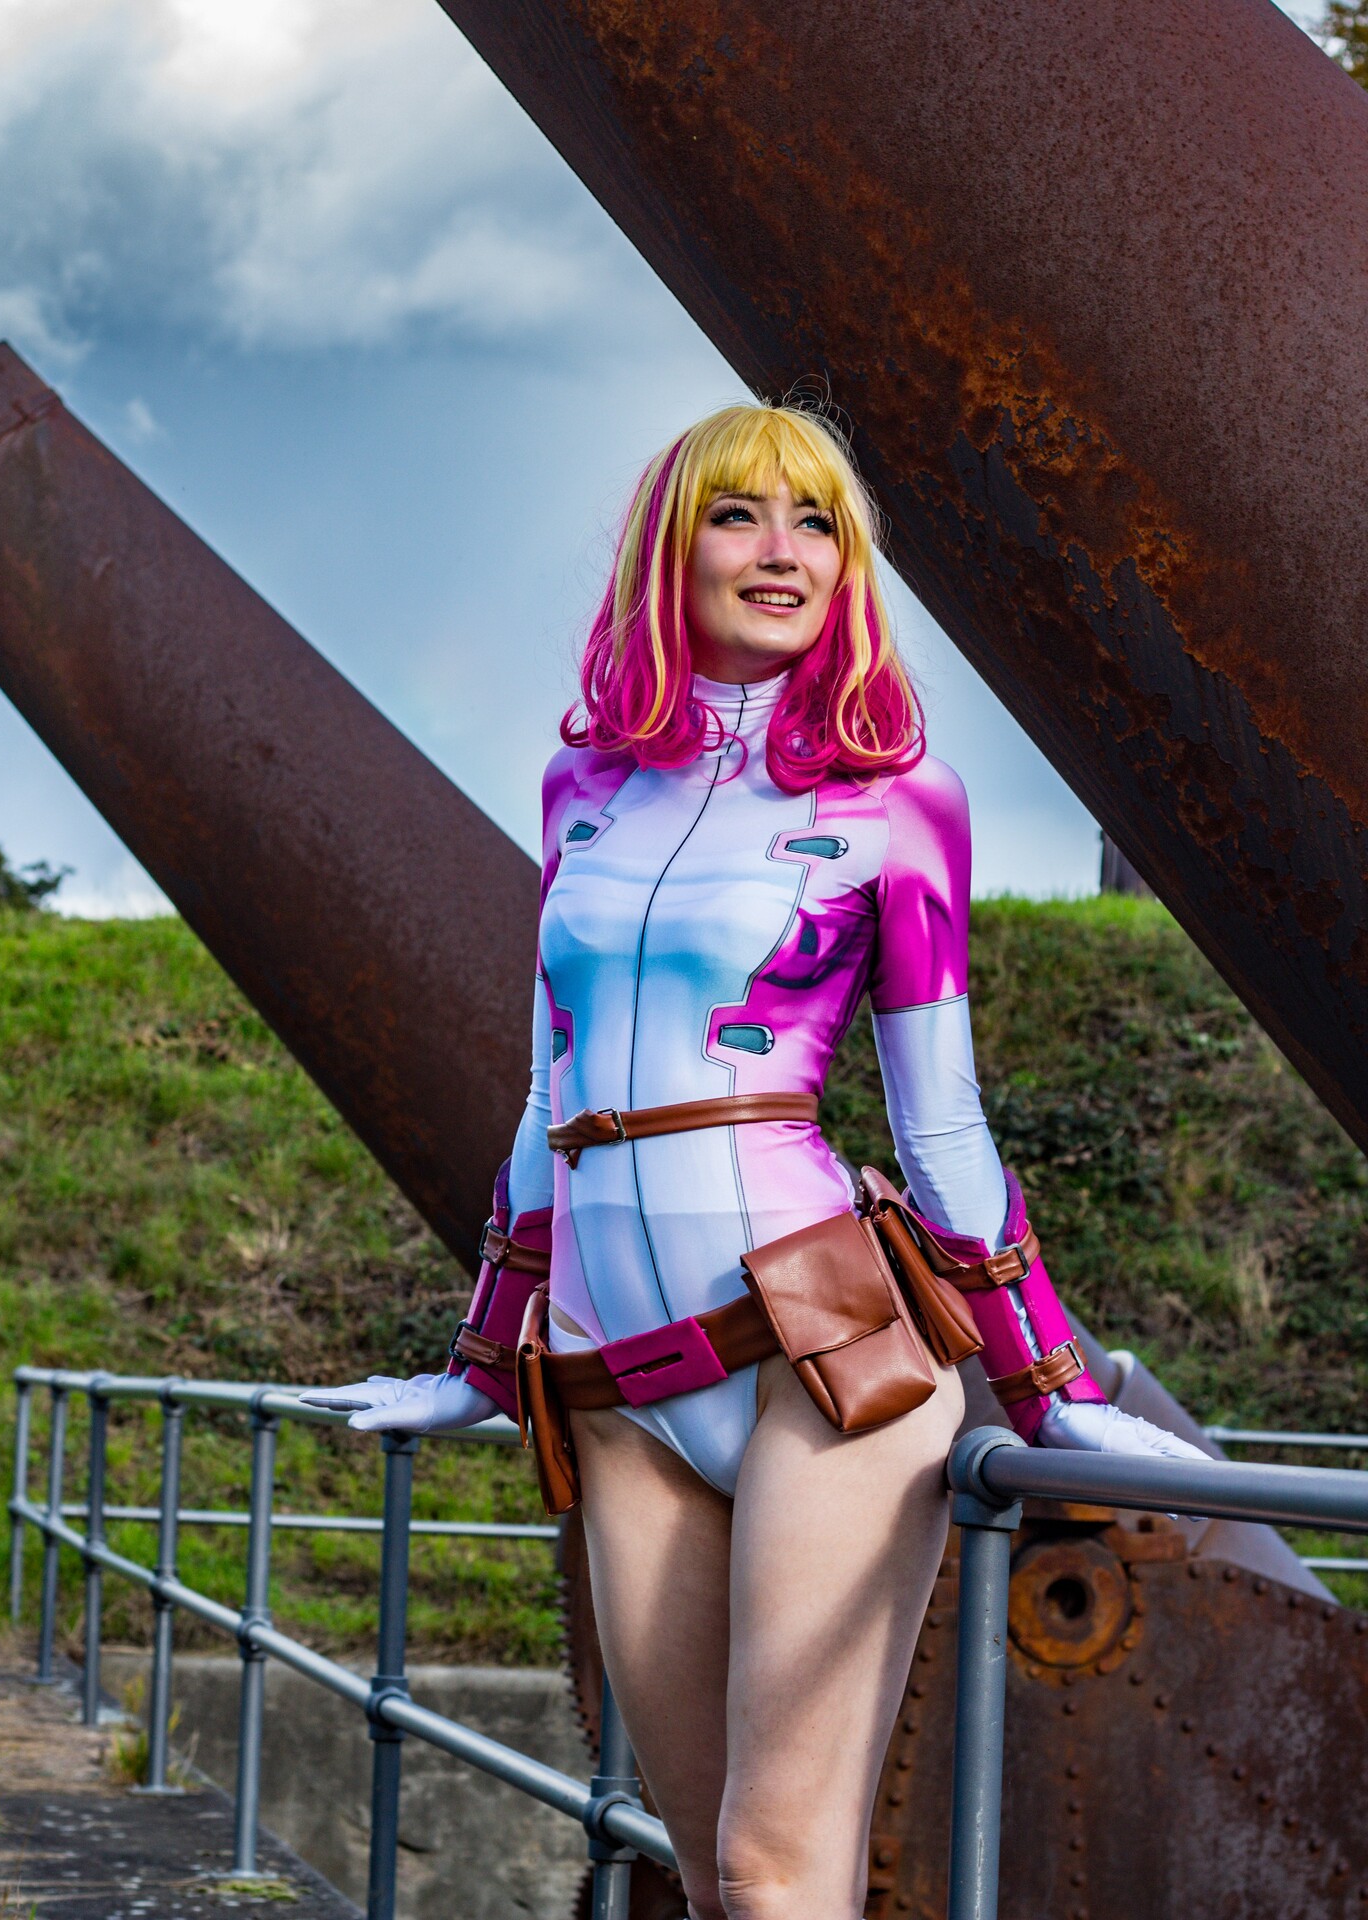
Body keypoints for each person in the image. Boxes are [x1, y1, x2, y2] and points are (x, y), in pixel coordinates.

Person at [304, 404, 1203, 1919]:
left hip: (823, 1358)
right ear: (672, 549)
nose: (782, 551)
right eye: (739, 514)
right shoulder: (582, 790)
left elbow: (941, 1125)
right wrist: (477, 1365)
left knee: (776, 1870)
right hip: (608, 1374)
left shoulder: (899, 804)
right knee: (718, 1880)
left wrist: (1053, 1388)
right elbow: (549, 1094)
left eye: (817, 522)